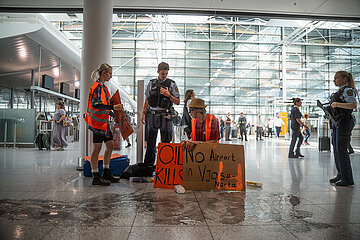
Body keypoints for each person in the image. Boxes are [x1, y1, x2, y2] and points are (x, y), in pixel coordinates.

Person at [85, 63, 123, 186]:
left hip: (103, 123)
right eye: (110, 74)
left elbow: (105, 107)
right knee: (96, 149)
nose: (111, 76)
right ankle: (95, 176)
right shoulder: (97, 87)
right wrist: (113, 107)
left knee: (110, 145)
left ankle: (106, 171)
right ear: (104, 73)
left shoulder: (104, 88)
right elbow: (96, 105)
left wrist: (114, 115)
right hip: (97, 123)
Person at [142, 62, 180, 166]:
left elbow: (177, 101)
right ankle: (148, 167)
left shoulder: (172, 84)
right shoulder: (151, 83)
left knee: (166, 143)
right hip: (152, 115)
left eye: (166, 73)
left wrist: (169, 95)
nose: (164, 76)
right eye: (163, 73)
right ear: (158, 71)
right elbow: (147, 100)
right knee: (150, 143)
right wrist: (143, 114)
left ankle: (165, 166)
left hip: (165, 116)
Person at [329, 71, 357, 186]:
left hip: (345, 122)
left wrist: (337, 105)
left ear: (344, 79)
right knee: (336, 149)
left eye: (336, 78)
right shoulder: (340, 91)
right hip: (338, 123)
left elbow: (353, 105)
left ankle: (347, 178)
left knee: (341, 150)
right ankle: (341, 174)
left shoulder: (348, 91)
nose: (334, 80)